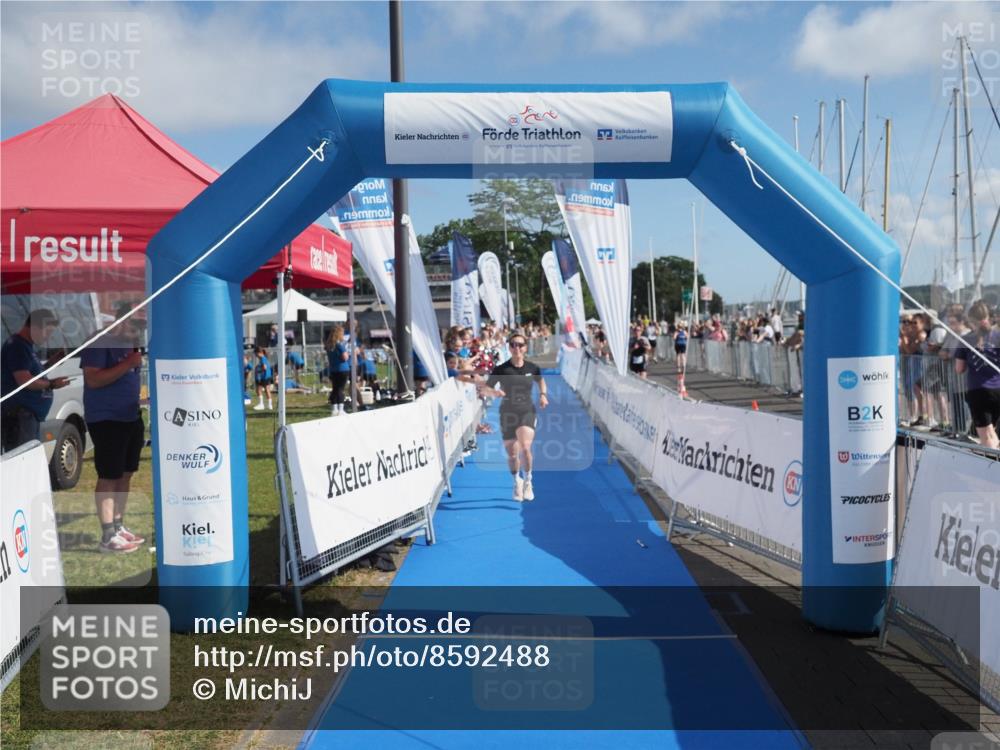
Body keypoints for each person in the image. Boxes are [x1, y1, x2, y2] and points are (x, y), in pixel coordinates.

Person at [80, 306, 146, 553]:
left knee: (126, 473)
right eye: (134, 326)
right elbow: (94, 379)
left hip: (130, 415)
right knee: (109, 475)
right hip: (106, 419)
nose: (137, 332)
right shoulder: (99, 341)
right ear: (122, 321)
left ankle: (118, 526)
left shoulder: (129, 344)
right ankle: (107, 535)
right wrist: (129, 362)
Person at [489, 333, 548, 502]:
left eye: (520, 345)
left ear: (525, 348)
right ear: (509, 347)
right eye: (513, 344)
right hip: (507, 413)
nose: (517, 348)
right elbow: (486, 388)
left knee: (525, 447)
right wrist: (494, 392)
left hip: (527, 411)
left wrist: (543, 395)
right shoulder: (501, 369)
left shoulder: (532, 368)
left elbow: (541, 381)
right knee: (512, 454)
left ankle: (528, 481)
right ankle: (517, 482)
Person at [1, 309, 69, 452]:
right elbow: (24, 380)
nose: (47, 338)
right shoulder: (17, 346)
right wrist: (51, 384)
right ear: (33, 327)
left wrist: (51, 363)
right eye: (47, 332)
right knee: (22, 460)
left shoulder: (26, 346)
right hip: (19, 417)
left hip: (27, 417)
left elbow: (32, 374)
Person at [954, 301, 1000, 449]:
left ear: (971, 321)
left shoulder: (966, 340)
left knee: (987, 436)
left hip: (979, 391)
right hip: (998, 390)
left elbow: (959, 368)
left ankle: (994, 467)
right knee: (993, 434)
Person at [326, 326, 350, 415]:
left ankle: (334, 408)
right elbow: (345, 357)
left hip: (333, 369)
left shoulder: (329, 345)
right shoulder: (340, 345)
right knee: (340, 389)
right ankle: (341, 409)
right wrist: (347, 354)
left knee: (335, 389)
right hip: (342, 369)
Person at [253, 346, 273, 411]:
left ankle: (261, 404)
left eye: (256, 354)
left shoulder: (262, 358)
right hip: (267, 376)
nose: (256, 356)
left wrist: (258, 370)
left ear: (259, 353)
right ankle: (270, 405)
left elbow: (264, 368)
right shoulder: (264, 358)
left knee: (258, 390)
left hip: (264, 376)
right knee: (267, 390)